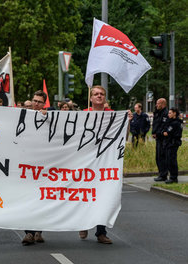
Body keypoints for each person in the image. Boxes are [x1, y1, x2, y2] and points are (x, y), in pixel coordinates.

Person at [79, 85, 114, 244]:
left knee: (103, 197)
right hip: (87, 162)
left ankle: (101, 232)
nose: (99, 96)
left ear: (105, 98)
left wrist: (126, 122)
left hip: (105, 162)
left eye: (102, 94)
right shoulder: (84, 115)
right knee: (86, 195)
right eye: (96, 94)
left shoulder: (113, 115)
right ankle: (84, 223)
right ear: (91, 98)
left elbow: (123, 136)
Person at [21, 90, 47, 246]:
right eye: (34, 101)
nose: (36, 104)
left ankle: (38, 231)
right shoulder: (23, 115)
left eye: (40, 102)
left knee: (41, 199)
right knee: (27, 199)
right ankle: (29, 233)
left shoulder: (49, 117)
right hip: (26, 165)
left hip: (44, 166)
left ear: (44, 104)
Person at [162, 108, 183, 184]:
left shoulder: (176, 123)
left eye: (170, 113)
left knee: (172, 161)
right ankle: (172, 177)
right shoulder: (170, 122)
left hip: (173, 143)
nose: (168, 114)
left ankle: (173, 177)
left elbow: (167, 132)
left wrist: (166, 132)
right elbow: (164, 130)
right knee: (168, 160)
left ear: (174, 113)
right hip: (169, 143)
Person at [153, 98, 169, 182]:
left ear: (163, 104)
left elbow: (164, 126)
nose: (156, 105)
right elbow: (155, 124)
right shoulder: (157, 113)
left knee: (162, 156)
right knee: (158, 156)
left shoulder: (165, 113)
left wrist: (158, 133)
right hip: (158, 138)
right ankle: (161, 173)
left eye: (158, 103)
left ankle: (163, 175)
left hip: (163, 138)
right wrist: (153, 132)